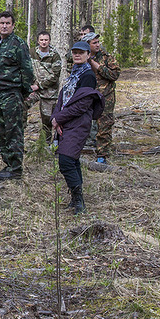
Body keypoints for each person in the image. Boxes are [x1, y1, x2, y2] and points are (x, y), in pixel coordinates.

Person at [51, 41, 104, 214]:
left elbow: (82, 105)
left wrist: (59, 118)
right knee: (72, 160)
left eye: (81, 52)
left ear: (89, 55)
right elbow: (62, 98)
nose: (77, 55)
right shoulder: (73, 74)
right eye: (75, 52)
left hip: (79, 123)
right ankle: (76, 200)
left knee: (66, 161)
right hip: (67, 122)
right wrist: (56, 119)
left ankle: (79, 200)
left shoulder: (88, 75)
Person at [0, 11, 35, 181]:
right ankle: (8, 164)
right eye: (2, 23)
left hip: (12, 94)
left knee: (13, 131)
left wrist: (22, 93)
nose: (4, 26)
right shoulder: (0, 43)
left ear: (13, 25)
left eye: (8, 23)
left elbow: (27, 71)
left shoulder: (18, 44)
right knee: (2, 131)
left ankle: (16, 169)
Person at [82, 32, 120, 164]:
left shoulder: (107, 58)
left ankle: (102, 154)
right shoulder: (81, 57)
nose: (98, 45)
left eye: (98, 42)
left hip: (105, 96)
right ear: (88, 45)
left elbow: (115, 75)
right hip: (87, 95)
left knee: (104, 124)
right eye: (94, 43)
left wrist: (97, 66)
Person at [30, 31, 62, 143]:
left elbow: (55, 76)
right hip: (34, 90)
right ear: (38, 41)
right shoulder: (32, 52)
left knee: (47, 120)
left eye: (46, 40)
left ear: (49, 41)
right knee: (22, 106)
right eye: (42, 40)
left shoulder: (55, 56)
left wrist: (39, 86)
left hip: (49, 93)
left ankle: (46, 143)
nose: (44, 42)